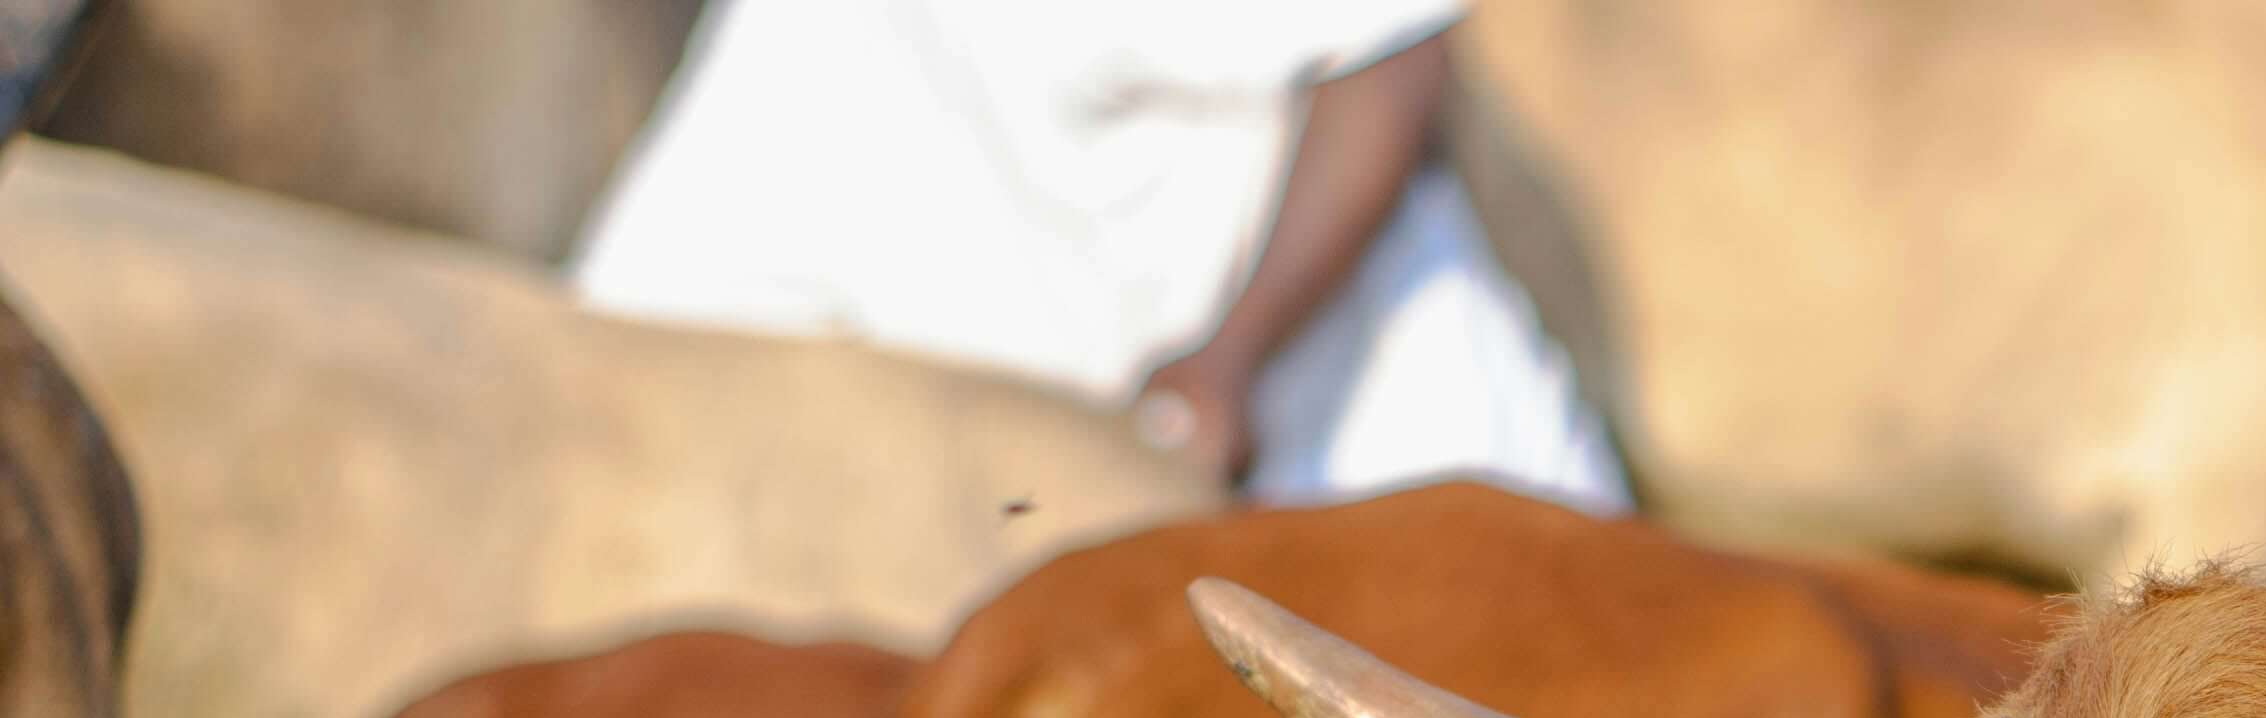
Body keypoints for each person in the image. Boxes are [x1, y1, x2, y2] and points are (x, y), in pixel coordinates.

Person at [572, 0, 1623, 509]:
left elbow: (1387, 72)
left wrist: (1227, 362)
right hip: (1066, 540)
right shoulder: (808, 33)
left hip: (1392, 488)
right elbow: (645, 316)